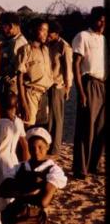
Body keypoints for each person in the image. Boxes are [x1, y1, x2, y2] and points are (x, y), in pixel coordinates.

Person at [0, 127, 67, 224]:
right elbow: (1, 191)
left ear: (47, 147)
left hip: (33, 217)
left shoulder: (53, 171)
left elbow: (44, 201)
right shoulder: (20, 166)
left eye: (40, 147)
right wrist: (33, 191)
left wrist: (17, 191)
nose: (36, 151)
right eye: (32, 147)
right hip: (13, 212)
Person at [72, 6, 106, 179]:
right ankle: (81, 168)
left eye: (105, 20)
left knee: (100, 128)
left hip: (103, 84)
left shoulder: (104, 40)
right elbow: (76, 65)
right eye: (100, 19)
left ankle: (94, 165)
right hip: (89, 83)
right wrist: (82, 92)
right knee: (87, 128)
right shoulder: (82, 36)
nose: (102, 23)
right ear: (92, 19)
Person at [0, 93, 28, 211]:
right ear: (17, 106)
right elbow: (24, 145)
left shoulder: (1, 124)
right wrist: (25, 163)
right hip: (12, 159)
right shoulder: (19, 122)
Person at [16, 18, 53, 128]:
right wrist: (23, 103)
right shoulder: (25, 50)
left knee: (40, 128)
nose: (45, 34)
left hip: (44, 94)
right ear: (33, 31)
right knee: (27, 126)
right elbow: (20, 77)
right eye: (42, 30)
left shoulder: (46, 50)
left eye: (47, 30)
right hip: (30, 94)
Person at [46, 20, 73, 155]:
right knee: (48, 117)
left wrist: (68, 87)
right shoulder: (48, 45)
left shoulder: (64, 47)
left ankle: (55, 148)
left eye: (49, 33)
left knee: (57, 118)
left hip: (58, 86)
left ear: (56, 33)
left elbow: (68, 69)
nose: (47, 35)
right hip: (47, 85)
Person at [0, 12, 28, 101]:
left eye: (4, 27)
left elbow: (15, 66)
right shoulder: (12, 40)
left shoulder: (17, 42)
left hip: (12, 84)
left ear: (11, 26)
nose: (3, 30)